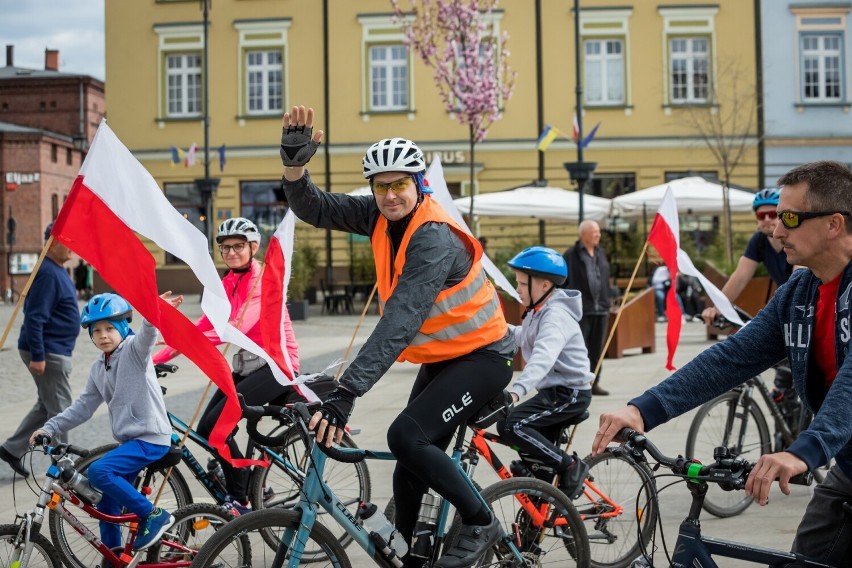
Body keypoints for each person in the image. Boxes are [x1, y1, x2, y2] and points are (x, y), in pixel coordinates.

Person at [279, 105, 514, 568]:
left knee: (406, 436)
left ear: (418, 183)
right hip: (446, 357)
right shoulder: (378, 216)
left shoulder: (434, 238)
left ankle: (481, 520)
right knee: (408, 468)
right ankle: (410, 554)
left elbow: (401, 319)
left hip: (486, 358)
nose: (390, 195)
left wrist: (348, 391)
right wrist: (295, 166)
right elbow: (316, 207)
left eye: (400, 184)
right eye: (381, 186)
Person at [593, 161, 852, 566]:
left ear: (834, 224)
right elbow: (731, 357)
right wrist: (641, 410)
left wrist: (803, 451)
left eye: (788, 217)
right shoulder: (800, 292)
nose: (776, 230)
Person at [153, 216, 308, 516]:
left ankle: (241, 498)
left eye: (238, 246)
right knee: (205, 427)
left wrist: (183, 339)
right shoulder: (227, 282)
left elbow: (232, 327)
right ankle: (252, 483)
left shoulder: (262, 280)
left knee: (217, 427)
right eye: (225, 248)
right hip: (249, 365)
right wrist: (155, 354)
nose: (232, 253)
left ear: (253, 247)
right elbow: (205, 324)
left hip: (277, 366)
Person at [30, 292, 180, 552]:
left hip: (151, 438)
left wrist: (155, 312)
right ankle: (113, 557)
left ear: (123, 327)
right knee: (107, 506)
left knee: (99, 471)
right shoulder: (99, 367)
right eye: (96, 330)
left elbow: (147, 335)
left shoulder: (134, 350)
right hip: (131, 442)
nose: (103, 335)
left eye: (110, 328)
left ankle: (153, 515)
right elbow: (83, 407)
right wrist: (49, 427)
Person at [496, 246, 593, 500]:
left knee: (511, 425)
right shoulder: (537, 312)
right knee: (539, 474)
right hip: (553, 392)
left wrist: (517, 392)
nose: (517, 289)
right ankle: (533, 531)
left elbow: (542, 358)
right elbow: (521, 336)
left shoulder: (555, 316)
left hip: (569, 394)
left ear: (544, 285)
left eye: (521, 283)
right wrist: (492, 329)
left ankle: (571, 466)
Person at [700, 188, 795, 400]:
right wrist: (718, 307)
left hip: (800, 303)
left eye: (773, 214)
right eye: (762, 215)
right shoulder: (759, 241)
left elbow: (798, 282)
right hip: (783, 306)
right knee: (781, 383)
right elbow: (740, 276)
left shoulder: (794, 236)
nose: (768, 220)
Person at [0, 223, 78, 479]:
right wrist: (38, 356)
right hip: (49, 352)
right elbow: (34, 318)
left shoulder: (56, 269)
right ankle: (64, 467)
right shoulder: (48, 273)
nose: (74, 247)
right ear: (53, 243)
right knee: (61, 409)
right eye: (69, 241)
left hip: (55, 349)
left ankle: (12, 450)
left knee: (46, 406)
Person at [564, 219, 612, 395]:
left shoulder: (601, 253)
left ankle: (594, 382)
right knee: (580, 349)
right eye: (594, 232)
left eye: (598, 231)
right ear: (583, 234)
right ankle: (579, 383)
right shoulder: (571, 255)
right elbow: (563, 282)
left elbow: (605, 278)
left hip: (601, 309)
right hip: (581, 310)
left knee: (597, 349)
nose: (598, 234)